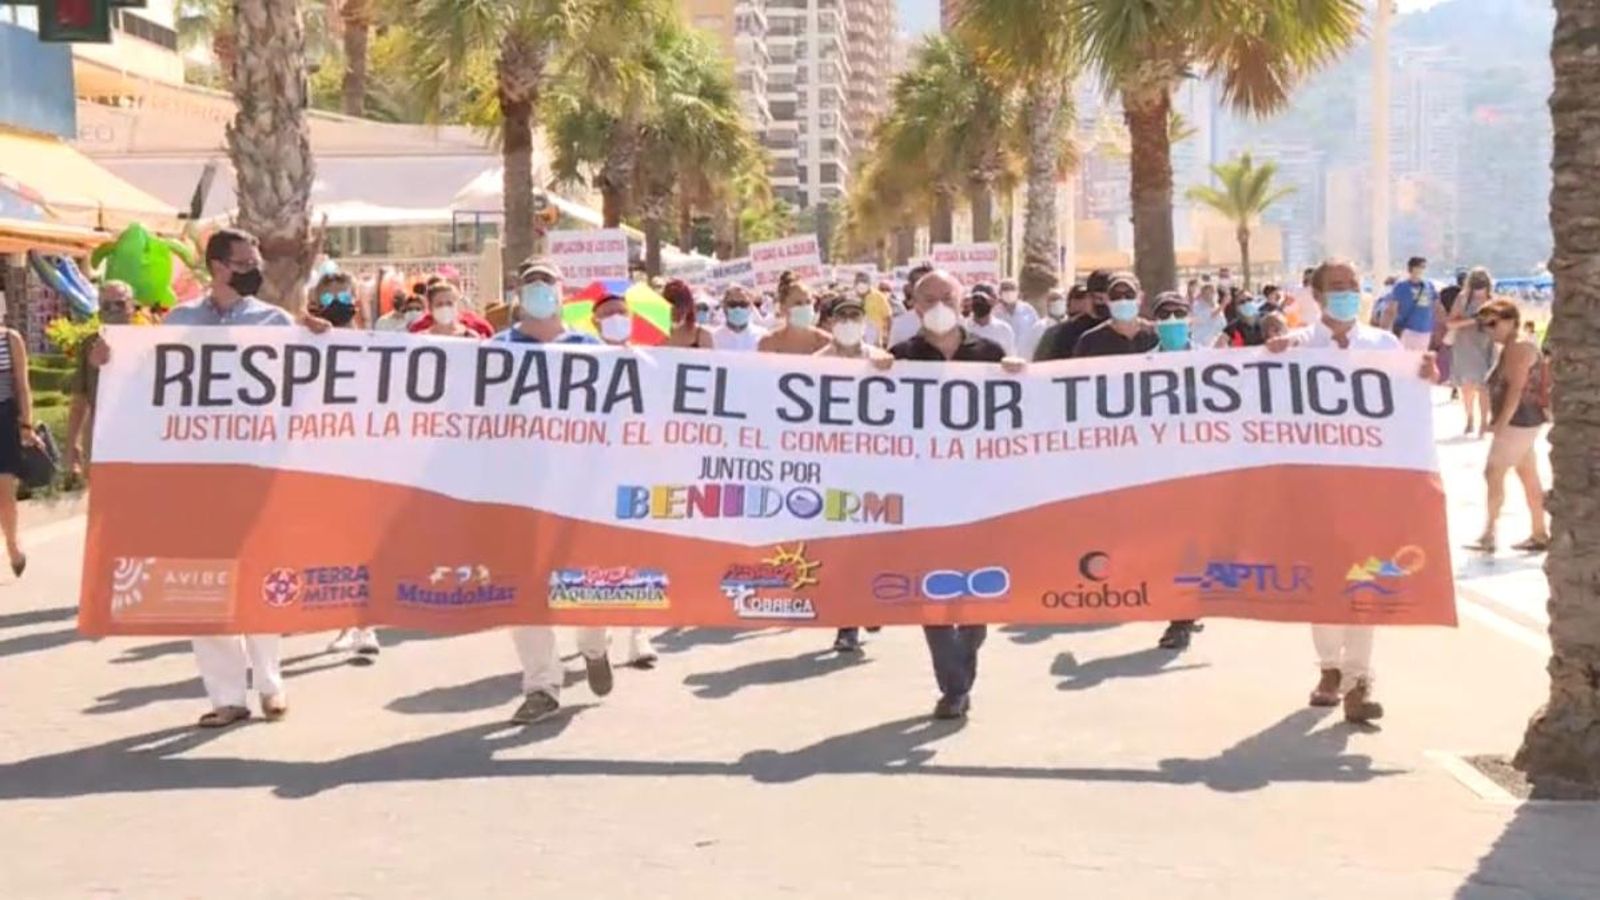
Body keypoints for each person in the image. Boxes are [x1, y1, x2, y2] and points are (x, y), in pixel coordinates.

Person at [141, 228, 307, 727]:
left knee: (258, 574)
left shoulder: (275, 322)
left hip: (256, 471)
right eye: (244, 261)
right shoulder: (180, 321)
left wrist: (320, 339)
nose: (254, 268)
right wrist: (109, 359)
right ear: (217, 266)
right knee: (204, 582)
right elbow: (150, 383)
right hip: (197, 475)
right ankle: (226, 696)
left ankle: (270, 684)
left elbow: (302, 383)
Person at [1277, 257, 1437, 725]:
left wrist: (1424, 373)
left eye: (1353, 285)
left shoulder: (1385, 344)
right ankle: (1330, 669)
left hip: (1371, 485)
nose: (1347, 292)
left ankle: (1360, 679)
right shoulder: (1297, 347)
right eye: (1337, 286)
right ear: (1319, 295)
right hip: (1315, 488)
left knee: (1366, 580)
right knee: (1325, 580)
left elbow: (1411, 402)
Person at [886, 269, 1022, 719]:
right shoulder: (900, 358)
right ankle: (955, 686)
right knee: (933, 592)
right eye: (928, 297)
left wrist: (1020, 378)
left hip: (981, 495)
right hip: (923, 495)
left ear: (963, 301)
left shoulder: (990, 353)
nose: (938, 304)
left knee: (975, 598)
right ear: (915, 305)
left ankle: (965, 659)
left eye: (947, 296)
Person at [1468, 298, 1550, 554]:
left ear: (1510, 320)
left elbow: (1516, 389)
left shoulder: (1518, 348)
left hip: (1519, 420)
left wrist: (1499, 423)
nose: (1489, 331)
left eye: (1493, 324)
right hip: (1523, 420)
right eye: (1484, 326)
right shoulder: (1512, 347)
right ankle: (1539, 533)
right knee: (1527, 475)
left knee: (1493, 472)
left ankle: (1489, 533)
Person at [65, 280, 135, 485]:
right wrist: (72, 444)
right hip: (100, 437)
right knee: (102, 504)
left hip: (140, 436)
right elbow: (79, 400)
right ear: (99, 310)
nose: (114, 310)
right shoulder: (89, 345)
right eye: (107, 305)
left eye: (120, 304)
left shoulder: (151, 341)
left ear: (132, 306)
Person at [0, 308, 40, 578]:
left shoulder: (10, 339)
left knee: (4, 491)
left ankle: (13, 545)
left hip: (4, 418)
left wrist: (27, 424)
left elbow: (22, 385)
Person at [1443, 267, 1497, 437]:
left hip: (1488, 344)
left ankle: (1483, 423)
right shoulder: (1462, 299)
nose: (1480, 291)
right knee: (1467, 386)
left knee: (1485, 386)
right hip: (1466, 345)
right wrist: (1473, 320)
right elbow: (1450, 324)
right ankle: (1470, 418)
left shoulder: (1493, 300)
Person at [1034, 269, 1113, 361]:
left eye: (1110, 299)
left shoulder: (1126, 332)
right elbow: (1041, 367)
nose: (1102, 304)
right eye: (1097, 298)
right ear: (1087, 298)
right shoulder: (1061, 334)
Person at [1072, 274, 1157, 357]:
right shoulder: (1089, 342)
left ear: (1140, 297)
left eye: (1129, 295)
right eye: (1116, 295)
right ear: (1106, 299)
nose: (1123, 300)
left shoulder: (1158, 334)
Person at [758, 281, 831, 354]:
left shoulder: (827, 342)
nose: (805, 307)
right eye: (798, 303)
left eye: (808, 302)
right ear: (783, 308)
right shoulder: (768, 343)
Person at [1387, 256, 1439, 351]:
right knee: (1405, 359)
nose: (1421, 270)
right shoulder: (1401, 286)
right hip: (1407, 329)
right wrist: (1388, 330)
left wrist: (1436, 328)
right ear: (1411, 268)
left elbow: (1436, 307)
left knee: (1419, 360)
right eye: (1419, 267)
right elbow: (1392, 309)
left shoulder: (1429, 285)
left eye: (1423, 267)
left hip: (1425, 330)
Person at [963, 283, 1017, 355]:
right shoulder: (962, 328)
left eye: (983, 299)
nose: (979, 302)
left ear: (993, 301)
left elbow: (1010, 358)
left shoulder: (1004, 330)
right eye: (976, 299)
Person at [711, 285, 768, 351]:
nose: (738, 308)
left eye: (743, 304)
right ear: (724, 307)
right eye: (733, 304)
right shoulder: (713, 338)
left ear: (751, 307)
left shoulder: (763, 336)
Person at [887, 263, 931, 348]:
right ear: (910, 288)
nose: (926, 288)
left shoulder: (955, 321)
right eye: (920, 284)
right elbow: (893, 356)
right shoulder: (901, 323)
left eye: (930, 283)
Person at [663, 279, 714, 349]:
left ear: (689, 304)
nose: (674, 308)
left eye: (679, 303)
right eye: (670, 302)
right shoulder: (659, 336)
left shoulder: (702, 335)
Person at [852, 271, 893, 347]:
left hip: (875, 339)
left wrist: (887, 337)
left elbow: (888, 317)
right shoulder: (851, 298)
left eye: (864, 281)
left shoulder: (879, 297)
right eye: (858, 282)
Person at [1189, 281, 1227, 349]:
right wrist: (1223, 304)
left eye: (1211, 292)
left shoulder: (1216, 305)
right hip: (1201, 343)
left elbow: (1222, 324)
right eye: (1205, 293)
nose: (1208, 295)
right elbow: (1209, 316)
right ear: (1201, 294)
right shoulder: (1197, 306)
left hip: (1217, 343)